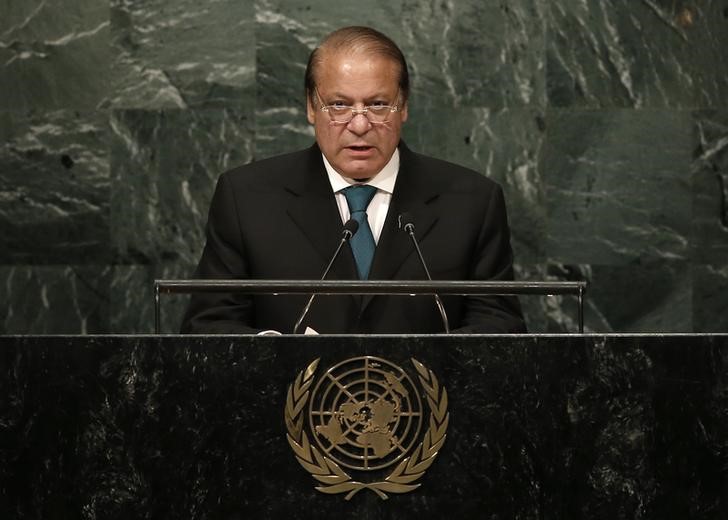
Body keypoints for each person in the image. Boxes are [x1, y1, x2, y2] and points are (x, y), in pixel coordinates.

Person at [180, 26, 526, 334]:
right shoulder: (248, 198)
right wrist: (271, 357)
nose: (359, 125)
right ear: (311, 108)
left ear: (403, 106)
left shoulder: (471, 202)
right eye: (339, 105)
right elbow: (208, 324)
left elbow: (499, 325)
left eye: (377, 105)